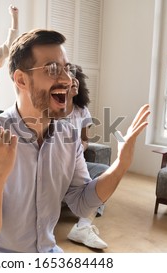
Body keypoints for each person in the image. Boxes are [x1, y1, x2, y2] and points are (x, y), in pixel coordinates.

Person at [0, 29, 150, 253]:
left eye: (67, 69)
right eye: (52, 69)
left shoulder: (69, 136)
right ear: (21, 79)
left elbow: (81, 203)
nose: (68, 80)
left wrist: (121, 165)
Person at [65, 65, 109, 249]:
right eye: (68, 76)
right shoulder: (48, 110)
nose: (72, 80)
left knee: (104, 172)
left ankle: (83, 226)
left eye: (75, 77)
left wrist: (78, 148)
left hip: (77, 162)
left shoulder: (82, 110)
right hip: (57, 167)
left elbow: (85, 140)